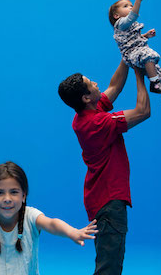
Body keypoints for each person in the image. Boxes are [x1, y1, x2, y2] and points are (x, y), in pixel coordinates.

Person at [58, 63, 150, 274]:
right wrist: (139, 73)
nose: (96, 83)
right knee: (109, 268)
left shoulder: (86, 114)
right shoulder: (97, 123)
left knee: (109, 262)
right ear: (86, 98)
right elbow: (143, 111)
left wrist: (126, 58)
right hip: (109, 202)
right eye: (91, 83)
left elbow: (115, 86)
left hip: (101, 198)